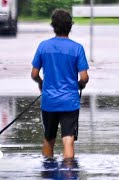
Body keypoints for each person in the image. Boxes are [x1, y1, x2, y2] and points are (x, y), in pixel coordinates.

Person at [31, 9, 89, 160]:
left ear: (53, 26)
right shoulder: (77, 48)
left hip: (49, 101)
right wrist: (80, 85)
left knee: (49, 139)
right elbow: (84, 77)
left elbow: (34, 74)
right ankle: (69, 171)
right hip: (70, 101)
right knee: (68, 139)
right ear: (70, 26)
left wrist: (41, 83)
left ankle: (47, 170)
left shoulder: (43, 46)